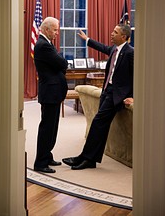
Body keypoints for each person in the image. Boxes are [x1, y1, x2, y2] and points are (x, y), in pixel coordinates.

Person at [62, 24, 134, 170]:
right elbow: (102, 47)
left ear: (124, 37)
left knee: (97, 124)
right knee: (100, 126)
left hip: (116, 95)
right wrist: (87, 39)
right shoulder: (115, 49)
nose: (112, 34)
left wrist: (133, 97)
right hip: (106, 91)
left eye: (115, 32)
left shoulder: (130, 52)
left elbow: (136, 76)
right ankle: (88, 159)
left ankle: (86, 158)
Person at [34, 16, 68, 173]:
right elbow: (62, 63)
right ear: (46, 29)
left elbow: (58, 64)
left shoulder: (47, 43)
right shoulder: (43, 45)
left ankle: (47, 156)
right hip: (50, 93)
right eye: (55, 30)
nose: (57, 33)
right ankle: (40, 163)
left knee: (52, 127)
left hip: (53, 92)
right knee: (47, 128)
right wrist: (61, 61)